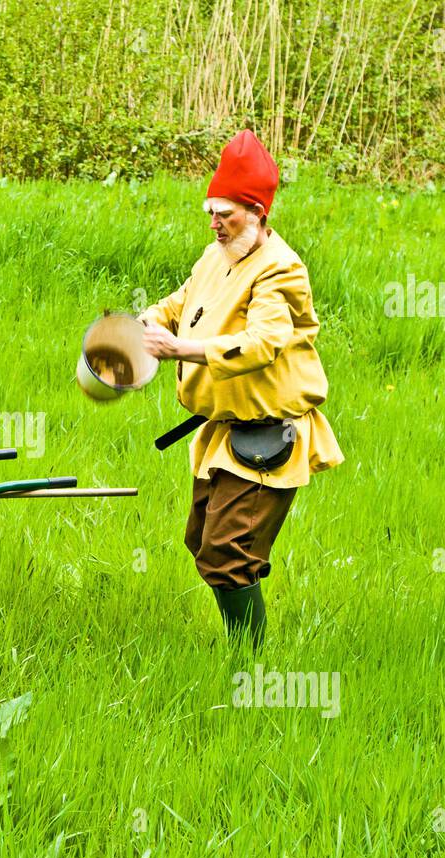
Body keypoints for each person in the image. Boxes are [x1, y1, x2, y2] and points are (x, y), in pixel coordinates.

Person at [140, 130, 344, 648]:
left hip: (268, 435)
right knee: (201, 541)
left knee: (227, 551)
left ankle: (250, 659)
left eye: (225, 214)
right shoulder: (218, 254)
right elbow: (183, 300)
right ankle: (244, 641)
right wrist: (148, 320)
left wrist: (180, 351)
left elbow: (263, 344)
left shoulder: (280, 270)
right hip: (224, 432)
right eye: (211, 212)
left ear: (256, 211)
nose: (214, 223)